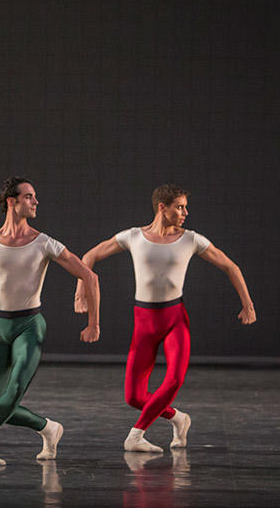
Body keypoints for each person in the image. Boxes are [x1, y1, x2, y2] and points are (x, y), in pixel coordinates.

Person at [74, 184, 257, 452]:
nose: (185, 212)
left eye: (185, 207)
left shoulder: (191, 239)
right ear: (162, 207)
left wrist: (247, 304)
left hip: (174, 319)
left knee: (174, 379)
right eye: (179, 207)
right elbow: (89, 256)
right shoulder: (134, 236)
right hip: (144, 321)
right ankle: (179, 419)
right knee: (134, 397)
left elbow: (230, 265)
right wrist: (81, 292)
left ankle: (136, 434)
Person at [0, 177, 100, 464]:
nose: (35, 201)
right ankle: (49, 428)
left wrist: (93, 322)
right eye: (29, 197)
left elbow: (89, 275)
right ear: (12, 201)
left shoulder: (44, 243)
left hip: (29, 327)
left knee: (12, 391)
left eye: (35, 197)